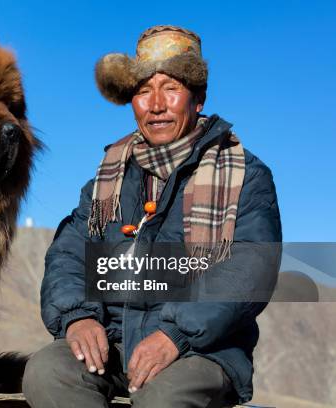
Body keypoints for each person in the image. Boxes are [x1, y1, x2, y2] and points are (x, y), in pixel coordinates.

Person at [22, 25, 282, 408]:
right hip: (112, 340)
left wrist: (174, 335)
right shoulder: (108, 176)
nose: (156, 104)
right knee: (48, 371)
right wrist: (78, 317)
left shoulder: (244, 174)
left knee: (163, 398)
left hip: (199, 350)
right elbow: (69, 254)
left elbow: (249, 269)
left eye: (171, 88)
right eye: (144, 91)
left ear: (198, 98)